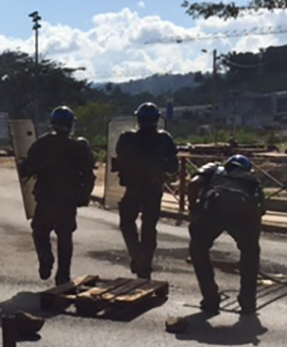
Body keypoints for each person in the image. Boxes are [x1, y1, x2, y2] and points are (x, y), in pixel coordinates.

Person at [20, 106, 96, 285]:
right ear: (70, 124)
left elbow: (27, 168)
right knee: (65, 236)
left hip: (46, 196)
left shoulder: (42, 144)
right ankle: (63, 275)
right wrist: (84, 195)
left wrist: (24, 165)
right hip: (68, 199)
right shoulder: (78, 146)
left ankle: (45, 256)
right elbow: (89, 174)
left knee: (40, 230)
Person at [187, 154, 266, 315]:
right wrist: (251, 236)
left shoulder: (213, 170)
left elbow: (193, 184)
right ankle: (248, 302)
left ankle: (210, 298)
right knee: (250, 253)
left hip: (212, 210)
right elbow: (261, 208)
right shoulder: (252, 180)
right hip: (243, 213)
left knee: (198, 250)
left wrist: (193, 207)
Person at [114, 102, 179, 279]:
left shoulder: (127, 138)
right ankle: (146, 263)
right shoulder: (164, 139)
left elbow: (120, 159)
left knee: (127, 222)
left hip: (133, 187)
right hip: (153, 188)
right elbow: (173, 167)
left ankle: (137, 255)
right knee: (149, 227)